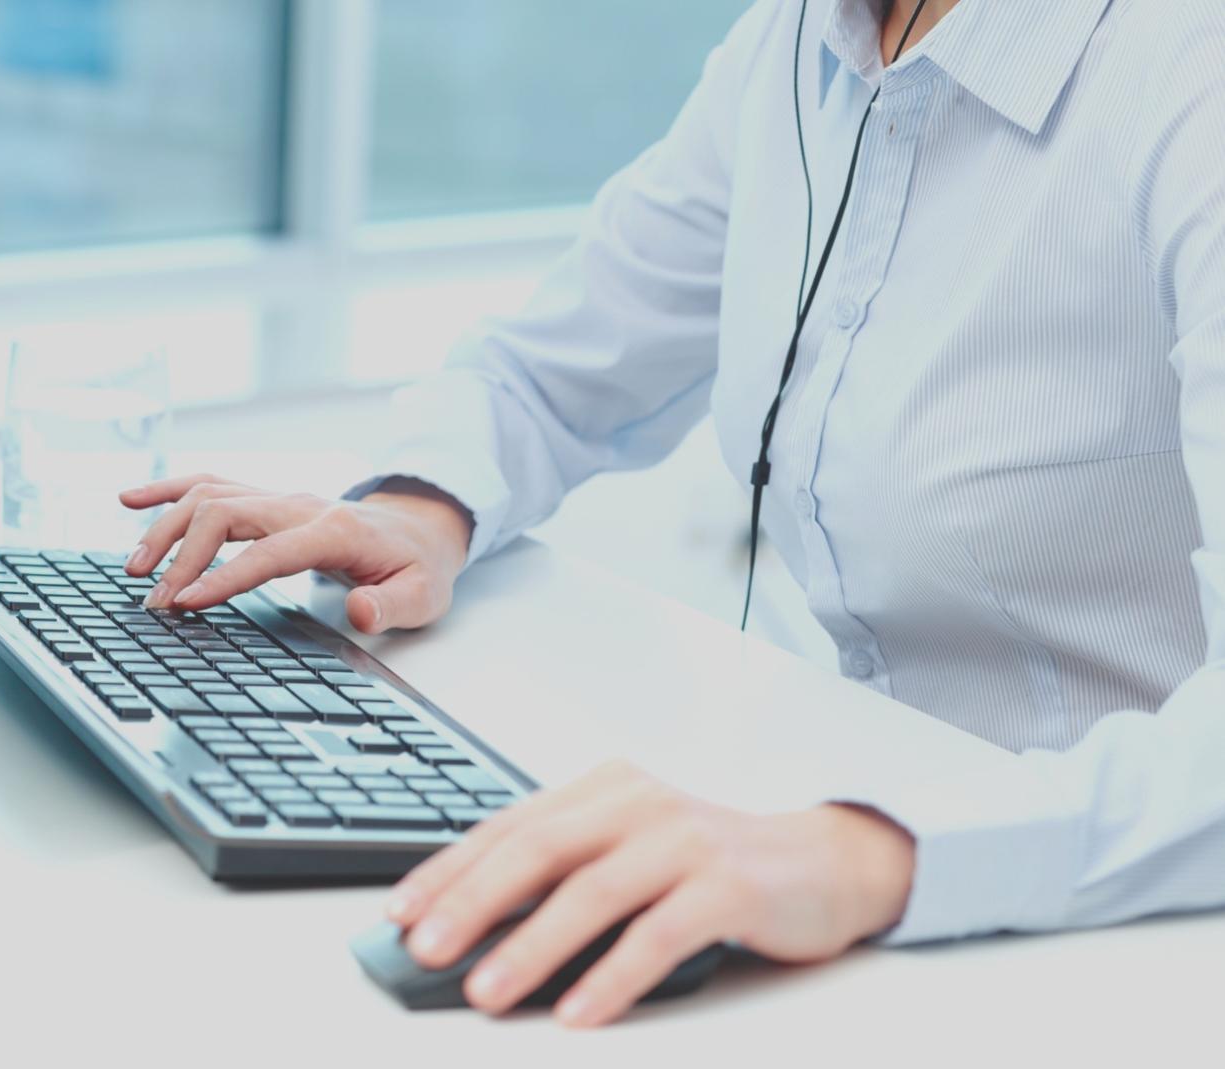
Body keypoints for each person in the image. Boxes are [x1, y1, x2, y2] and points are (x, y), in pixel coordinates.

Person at [119, 0, 1225, 1028]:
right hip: (839, 853)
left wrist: (860, 857)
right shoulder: (799, 48)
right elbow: (551, 367)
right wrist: (419, 505)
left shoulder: (1186, 73)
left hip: (1128, 925)